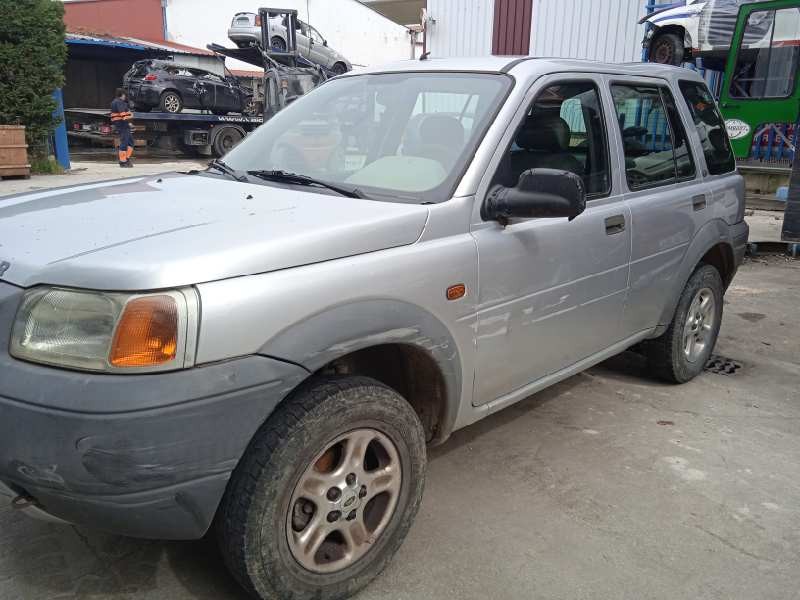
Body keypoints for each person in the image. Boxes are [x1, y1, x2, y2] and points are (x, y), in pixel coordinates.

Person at [110, 88, 134, 168]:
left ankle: (127, 159)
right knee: (124, 142)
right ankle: (123, 161)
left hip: (122, 124)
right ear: (122, 94)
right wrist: (129, 123)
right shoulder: (119, 102)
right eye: (125, 95)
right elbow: (123, 114)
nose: (125, 97)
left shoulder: (116, 102)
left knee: (130, 142)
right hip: (123, 125)